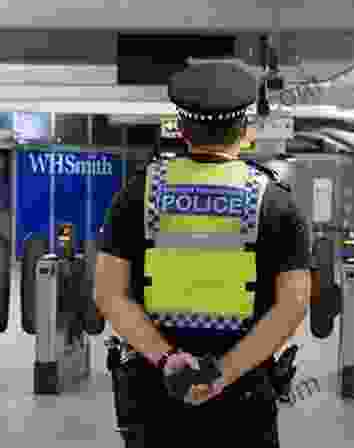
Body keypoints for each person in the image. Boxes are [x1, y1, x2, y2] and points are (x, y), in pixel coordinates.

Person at [95, 63, 310, 447]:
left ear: (180, 128)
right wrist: (222, 374)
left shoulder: (135, 196)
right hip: (242, 398)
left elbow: (109, 294)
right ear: (245, 132)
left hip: (156, 394)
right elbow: (291, 307)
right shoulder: (276, 204)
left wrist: (168, 359)